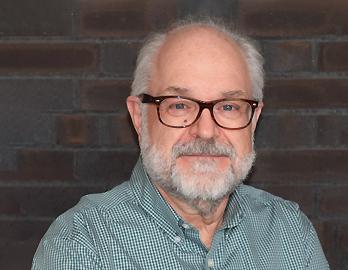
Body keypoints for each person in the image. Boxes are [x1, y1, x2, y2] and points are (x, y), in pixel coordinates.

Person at [32, 18, 329, 269]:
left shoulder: (290, 232)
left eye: (228, 106)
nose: (206, 131)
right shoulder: (82, 244)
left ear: (254, 119)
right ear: (138, 116)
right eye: (179, 106)